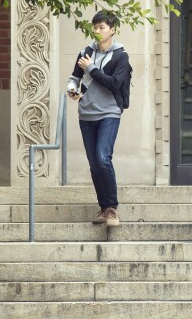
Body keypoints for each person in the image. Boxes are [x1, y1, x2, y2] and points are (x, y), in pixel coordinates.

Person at [67, 11, 130, 227]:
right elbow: (74, 77)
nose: (97, 30)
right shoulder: (85, 52)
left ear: (112, 29)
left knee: (103, 158)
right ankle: (103, 208)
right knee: (94, 164)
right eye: (95, 27)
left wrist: (91, 68)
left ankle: (112, 208)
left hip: (109, 112)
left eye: (102, 27)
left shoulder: (121, 55)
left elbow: (114, 83)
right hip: (86, 114)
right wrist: (72, 89)